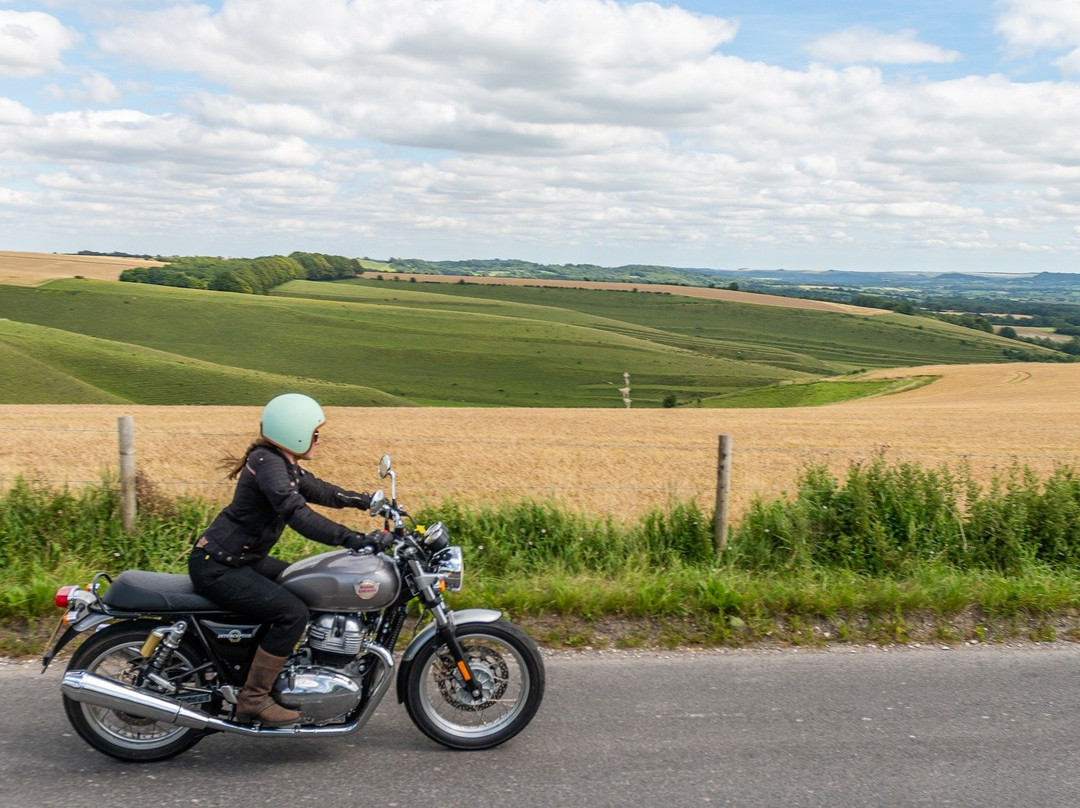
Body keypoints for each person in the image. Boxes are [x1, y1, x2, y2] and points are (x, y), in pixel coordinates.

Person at [188, 392, 385, 725]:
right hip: (220, 565)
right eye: (314, 431)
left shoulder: (279, 462)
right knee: (292, 613)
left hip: (240, 559)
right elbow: (296, 513)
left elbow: (320, 490)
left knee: (306, 587)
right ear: (293, 430)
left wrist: (367, 502)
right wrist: (354, 540)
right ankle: (254, 698)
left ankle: (285, 673)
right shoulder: (269, 465)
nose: (319, 439)